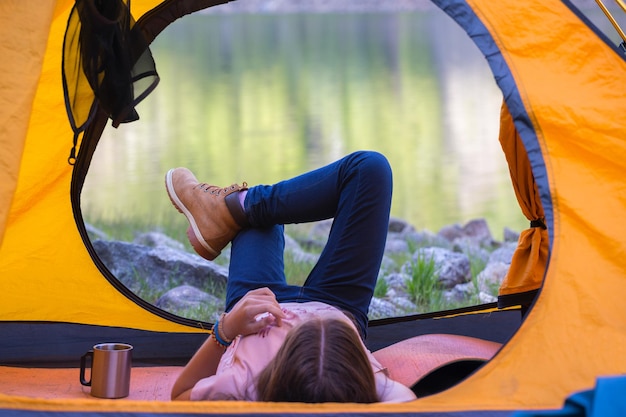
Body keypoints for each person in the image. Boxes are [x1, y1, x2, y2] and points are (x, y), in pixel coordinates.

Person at [167, 150, 417, 403]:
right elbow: (406, 402)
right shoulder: (374, 388)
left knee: (259, 219)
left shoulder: (245, 383)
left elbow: (180, 396)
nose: (304, 320)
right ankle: (231, 208)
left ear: (278, 367)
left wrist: (226, 329)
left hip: (257, 305)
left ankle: (230, 207)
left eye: (298, 332)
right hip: (339, 304)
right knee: (370, 169)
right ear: (358, 372)